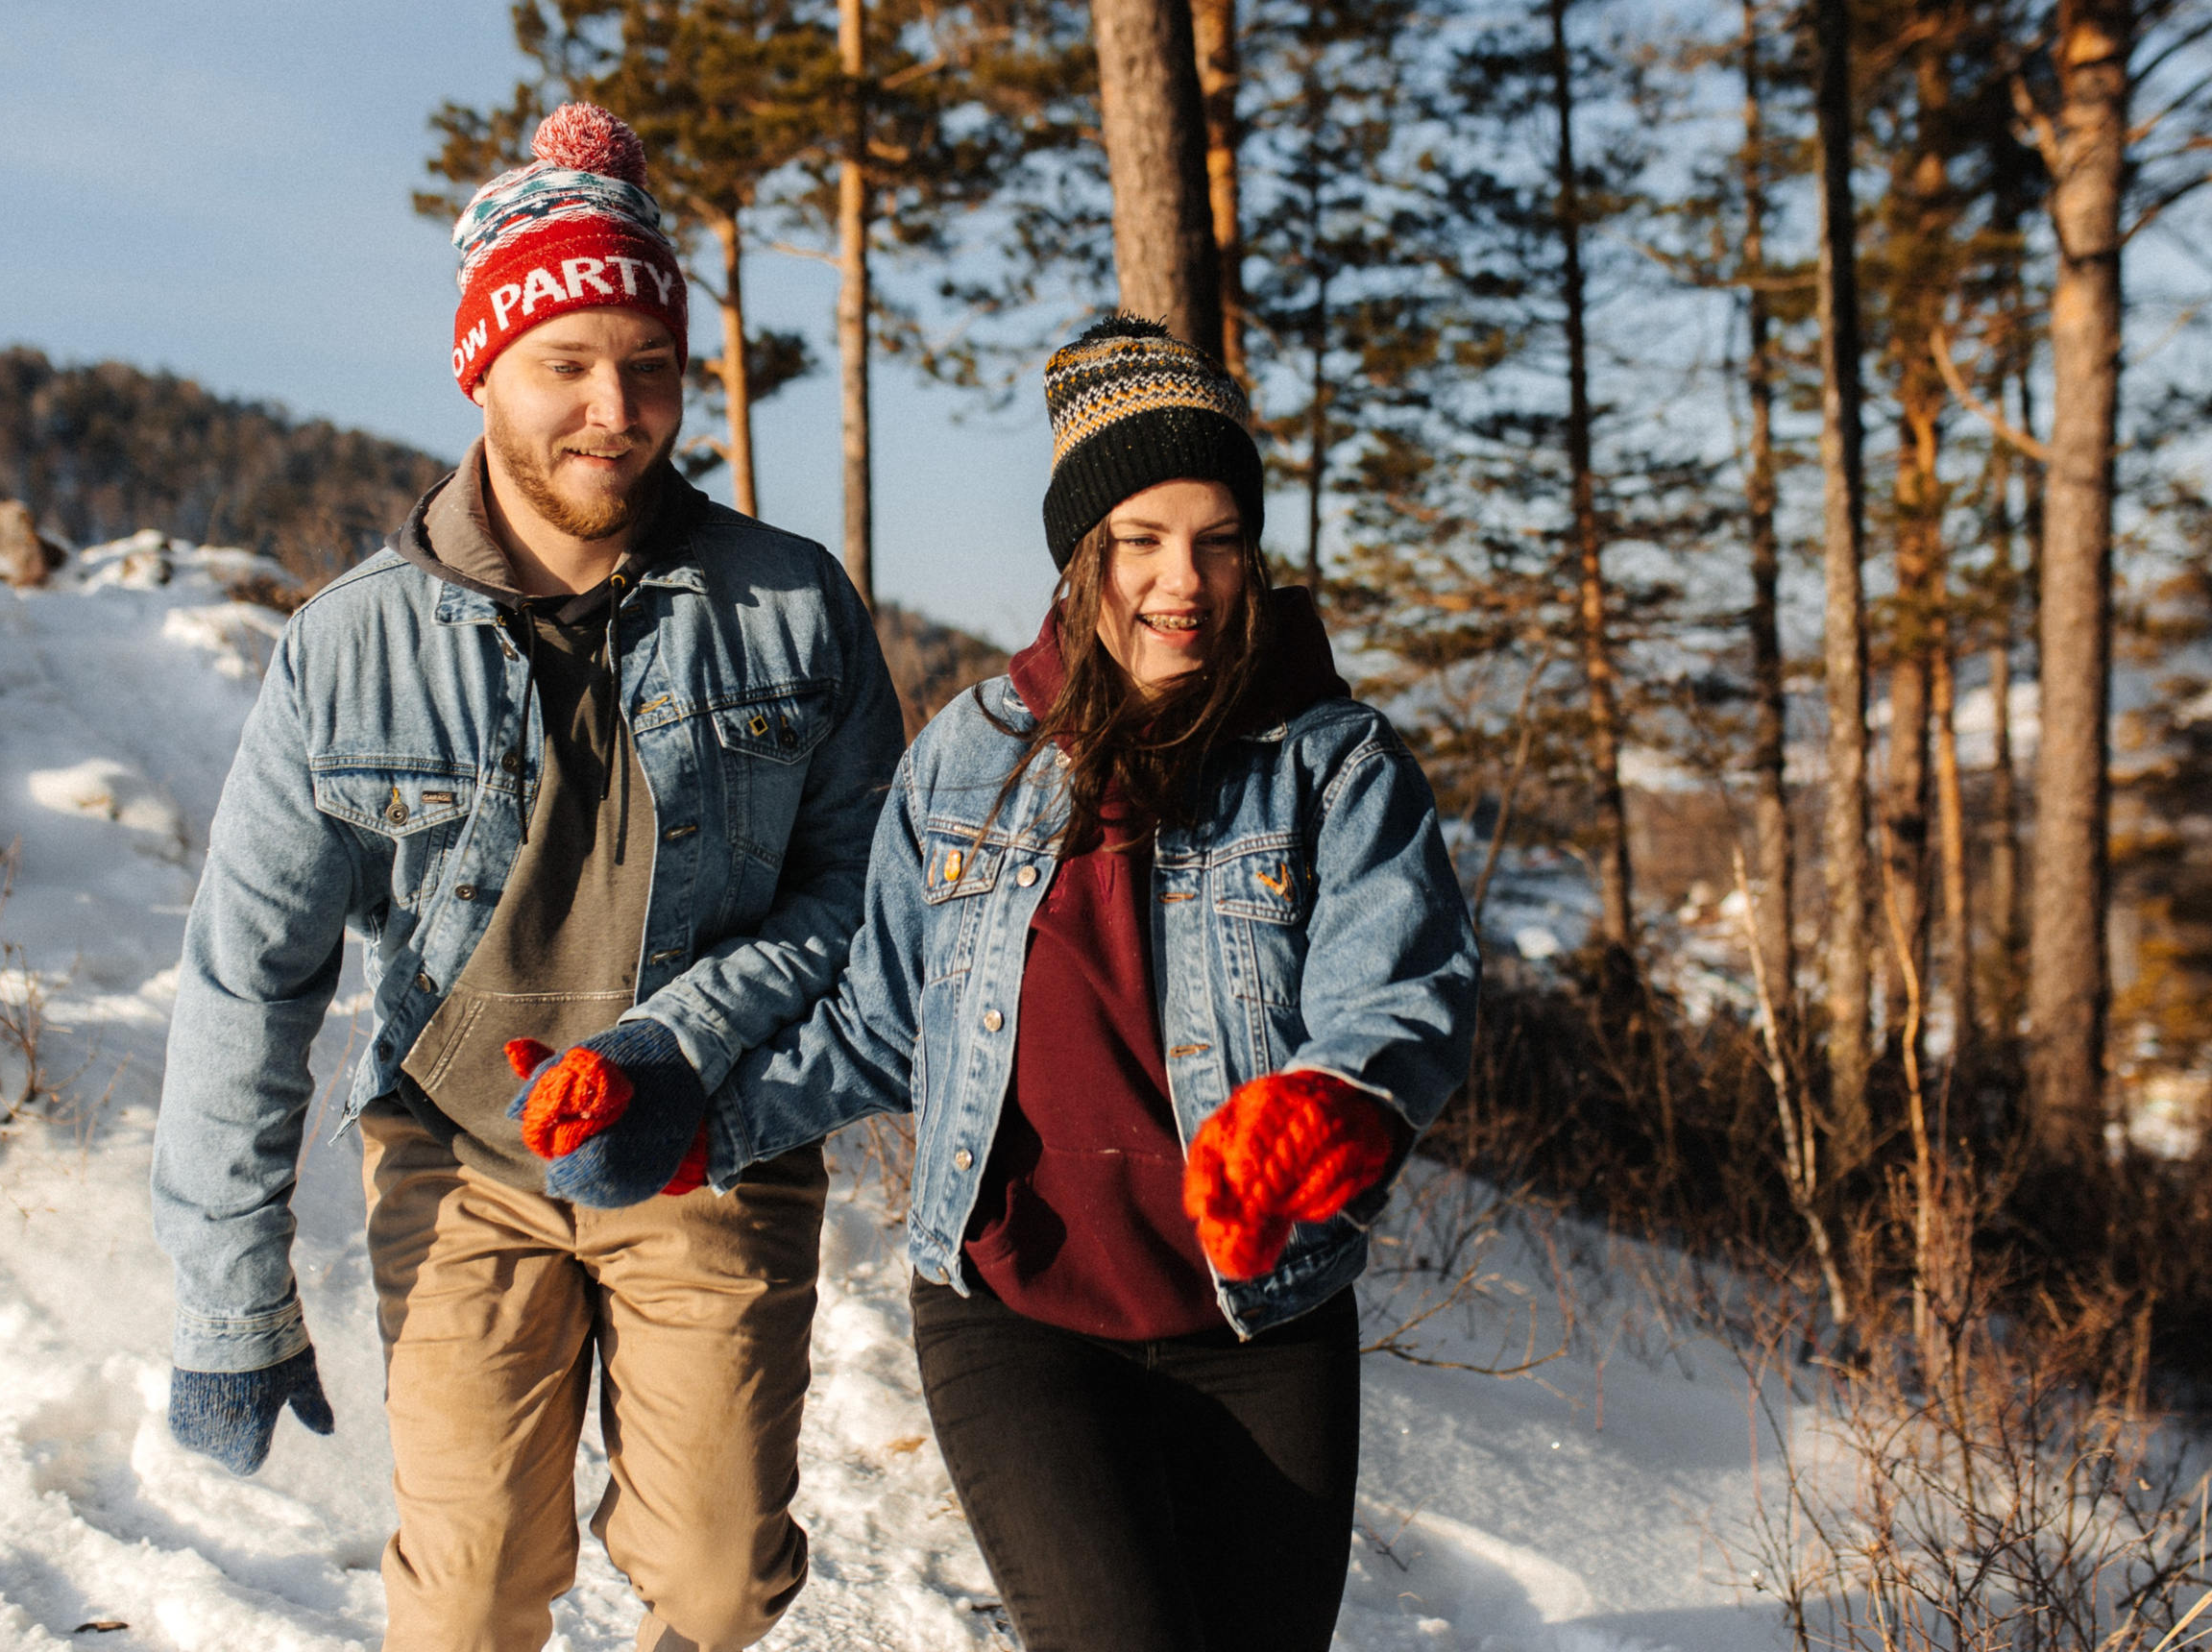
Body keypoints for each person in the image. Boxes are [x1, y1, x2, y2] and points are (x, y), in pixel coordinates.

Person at [148, 103, 902, 1652]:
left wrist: (676, 1052)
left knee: (714, 1581)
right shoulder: (351, 643)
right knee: (474, 1586)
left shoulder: (787, 606)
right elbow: (249, 974)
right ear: (482, 364)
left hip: (708, 1141)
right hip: (462, 1158)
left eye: (650, 368)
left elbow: (859, 903)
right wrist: (231, 1298)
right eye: (568, 364)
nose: (613, 411)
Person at [679, 315, 1480, 1650]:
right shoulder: (966, 761)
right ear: (1080, 555)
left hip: (1262, 1314)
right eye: (1142, 539)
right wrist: (705, 1114)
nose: (1187, 581)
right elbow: (883, 1022)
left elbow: (1400, 992)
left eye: (1219, 538)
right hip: (1017, 1309)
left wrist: (1336, 1106)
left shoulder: (1335, 765)